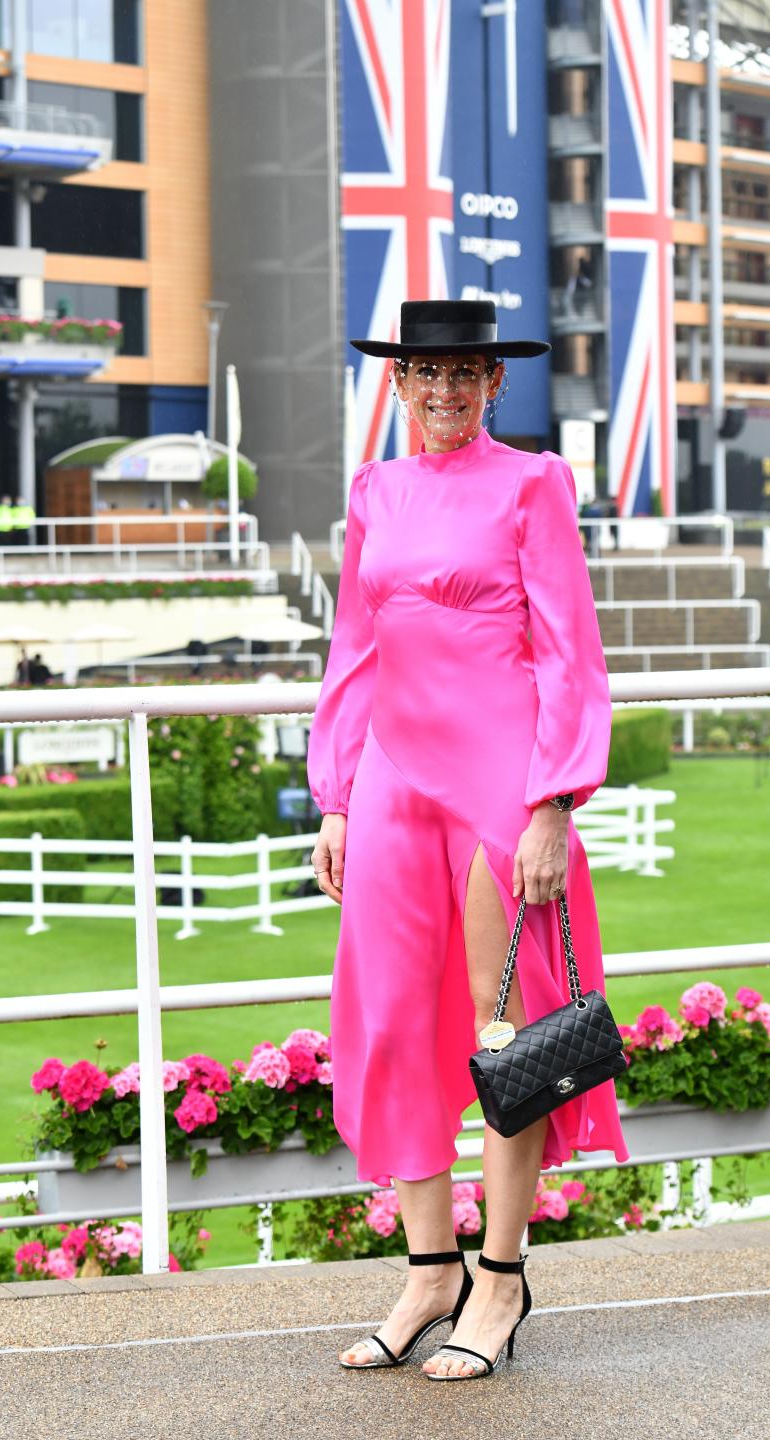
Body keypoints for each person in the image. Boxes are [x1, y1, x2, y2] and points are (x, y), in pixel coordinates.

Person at [307, 299, 628, 1381]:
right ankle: (426, 1271)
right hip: (393, 780)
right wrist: (336, 793)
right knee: (395, 1022)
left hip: (501, 783)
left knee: (507, 1039)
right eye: (424, 375)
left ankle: (499, 1282)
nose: (443, 393)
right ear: (397, 385)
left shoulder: (534, 483)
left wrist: (553, 802)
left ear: (494, 383)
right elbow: (356, 649)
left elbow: (570, 650)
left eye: (465, 374)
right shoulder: (375, 491)